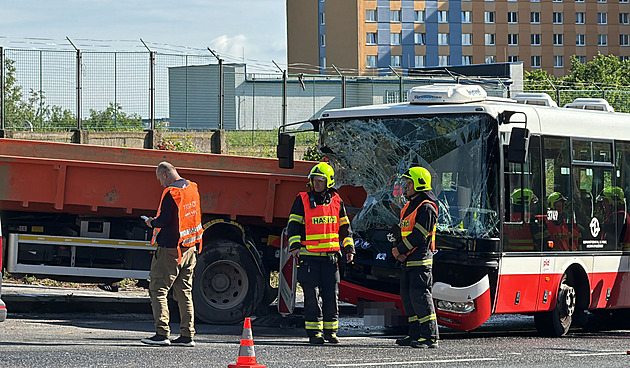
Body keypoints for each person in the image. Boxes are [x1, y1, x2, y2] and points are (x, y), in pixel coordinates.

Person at [287, 162, 355, 345]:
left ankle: (331, 332)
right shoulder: (302, 199)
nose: (316, 184)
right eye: (314, 180)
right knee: (311, 296)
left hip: (330, 258)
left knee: (332, 295)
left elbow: (345, 229)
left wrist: (349, 249)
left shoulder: (337, 201)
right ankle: (314, 333)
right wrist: (294, 247)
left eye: (320, 180)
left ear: (329, 182)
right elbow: (293, 226)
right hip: (309, 258)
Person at [140, 161, 203, 347]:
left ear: (165, 174)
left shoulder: (171, 193)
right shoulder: (191, 188)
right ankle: (187, 335)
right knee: (184, 291)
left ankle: (162, 333)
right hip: (189, 247)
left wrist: (151, 222)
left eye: (160, 179)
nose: (160, 183)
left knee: (158, 289)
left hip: (170, 250)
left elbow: (164, 221)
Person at [392, 167, 439, 349]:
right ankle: (415, 333)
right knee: (409, 298)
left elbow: (419, 236)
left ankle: (430, 336)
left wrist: (401, 250)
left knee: (421, 298)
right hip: (407, 261)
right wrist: (397, 249)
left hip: (420, 261)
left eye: (409, 183)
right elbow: (402, 231)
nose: (406, 186)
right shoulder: (409, 206)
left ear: (419, 184)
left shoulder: (427, 207)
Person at [598, 187, 630, 251]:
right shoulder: (621, 215)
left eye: (605, 201)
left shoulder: (618, 217)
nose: (603, 204)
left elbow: (611, 241)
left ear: (612, 202)